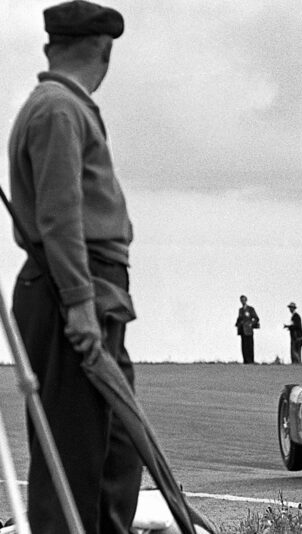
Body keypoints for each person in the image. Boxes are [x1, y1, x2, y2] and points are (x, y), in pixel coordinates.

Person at [7, 2, 141, 532]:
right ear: (104, 53)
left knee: (115, 444)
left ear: (50, 48)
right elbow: (60, 216)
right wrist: (82, 306)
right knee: (73, 456)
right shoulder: (60, 108)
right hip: (73, 291)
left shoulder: (58, 105)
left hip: (86, 288)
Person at [234, 294, 260, 364]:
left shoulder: (251, 309)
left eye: (243, 300)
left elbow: (256, 318)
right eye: (241, 300)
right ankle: (245, 360)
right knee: (244, 346)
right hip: (242, 330)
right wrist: (237, 324)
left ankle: (251, 360)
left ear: (246, 300)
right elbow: (239, 319)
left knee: (250, 345)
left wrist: (251, 323)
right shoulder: (240, 310)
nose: (242, 301)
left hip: (249, 330)